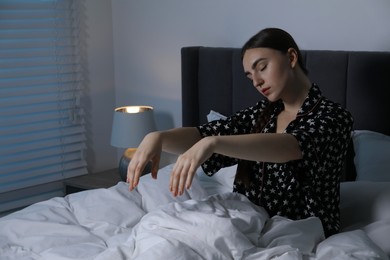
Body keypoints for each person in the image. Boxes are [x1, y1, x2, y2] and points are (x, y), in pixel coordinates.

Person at [127, 28, 353, 237]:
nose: (256, 81)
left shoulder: (334, 117)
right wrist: (158, 137)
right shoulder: (261, 114)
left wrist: (213, 143)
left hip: (303, 228)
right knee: (164, 228)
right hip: (249, 220)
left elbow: (291, 146)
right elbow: (201, 133)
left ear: (291, 58)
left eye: (262, 67)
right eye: (249, 76)